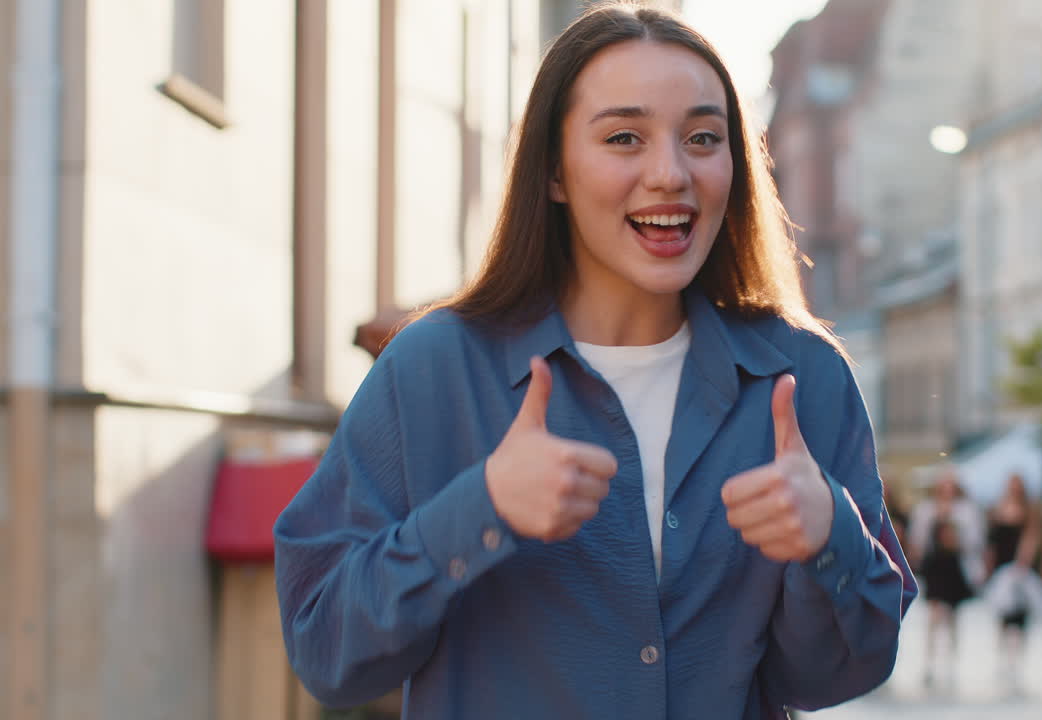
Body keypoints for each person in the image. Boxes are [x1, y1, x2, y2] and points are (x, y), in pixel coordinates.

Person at [271, 4, 916, 719]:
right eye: (623, 138)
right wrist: (479, 510)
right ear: (552, 170)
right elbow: (326, 653)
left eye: (704, 137)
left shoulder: (803, 376)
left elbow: (838, 675)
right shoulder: (434, 368)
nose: (670, 173)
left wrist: (829, 538)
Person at [907, 468, 984, 689]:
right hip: (935, 568)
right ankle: (929, 663)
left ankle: (951, 663)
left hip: (955, 568)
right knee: (933, 617)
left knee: (953, 618)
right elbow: (918, 539)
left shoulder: (966, 511)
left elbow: (974, 540)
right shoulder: (927, 510)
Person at [985, 472, 1042, 687]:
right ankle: (1002, 661)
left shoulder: (1029, 512)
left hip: (1019, 571)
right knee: (1002, 618)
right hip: (1001, 569)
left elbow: (1031, 539)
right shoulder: (998, 510)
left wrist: (1023, 563)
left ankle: (1015, 662)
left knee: (1020, 619)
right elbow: (992, 543)